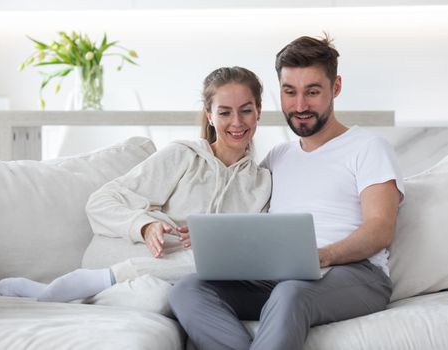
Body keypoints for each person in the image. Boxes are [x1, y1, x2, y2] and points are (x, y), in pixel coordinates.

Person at [168, 34, 405, 349]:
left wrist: (319, 257)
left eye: (313, 92)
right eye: (290, 92)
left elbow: (380, 229)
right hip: (281, 276)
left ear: (336, 87)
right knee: (188, 289)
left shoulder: (368, 147)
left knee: (292, 291)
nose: (300, 105)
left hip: (357, 275)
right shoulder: (277, 158)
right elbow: (250, 219)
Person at [0, 66, 271, 303]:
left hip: (174, 277)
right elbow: (100, 202)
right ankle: (90, 280)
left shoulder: (261, 183)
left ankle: (71, 291)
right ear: (209, 115)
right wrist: (145, 225)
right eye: (225, 113)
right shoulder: (183, 156)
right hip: (130, 252)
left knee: (161, 299)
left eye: (246, 111)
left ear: (258, 111)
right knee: (211, 267)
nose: (236, 122)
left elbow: (252, 248)